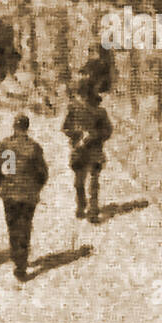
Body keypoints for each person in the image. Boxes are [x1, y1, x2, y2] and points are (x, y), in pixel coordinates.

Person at [0, 114, 49, 282]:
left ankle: (17, 258)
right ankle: (21, 265)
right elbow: (43, 173)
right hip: (28, 194)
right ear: (27, 128)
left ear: (14, 127)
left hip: (9, 193)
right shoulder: (34, 147)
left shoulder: (5, 145)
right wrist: (36, 188)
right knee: (25, 227)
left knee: (13, 227)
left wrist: (2, 184)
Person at [62, 78, 113, 224]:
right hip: (79, 151)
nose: (83, 97)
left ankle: (93, 210)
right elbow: (65, 128)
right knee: (78, 183)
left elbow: (108, 130)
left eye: (85, 94)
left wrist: (93, 136)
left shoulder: (100, 112)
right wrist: (78, 134)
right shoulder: (73, 109)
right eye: (81, 94)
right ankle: (81, 204)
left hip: (95, 150)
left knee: (93, 182)